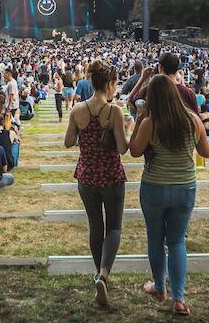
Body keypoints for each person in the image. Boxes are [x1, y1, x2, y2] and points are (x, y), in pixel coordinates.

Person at [129, 74, 209, 317]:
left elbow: (134, 151)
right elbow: (206, 151)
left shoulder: (150, 122)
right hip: (185, 186)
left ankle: (159, 287)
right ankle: (179, 298)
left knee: (155, 238)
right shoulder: (192, 119)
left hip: (154, 186)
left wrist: (140, 119)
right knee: (176, 241)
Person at [64, 60, 128, 307]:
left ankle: (98, 274)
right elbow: (123, 148)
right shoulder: (114, 111)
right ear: (110, 84)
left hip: (86, 176)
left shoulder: (78, 110)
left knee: (95, 226)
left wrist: (84, 136)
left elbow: (69, 142)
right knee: (114, 228)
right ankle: (103, 274)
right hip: (111, 176)